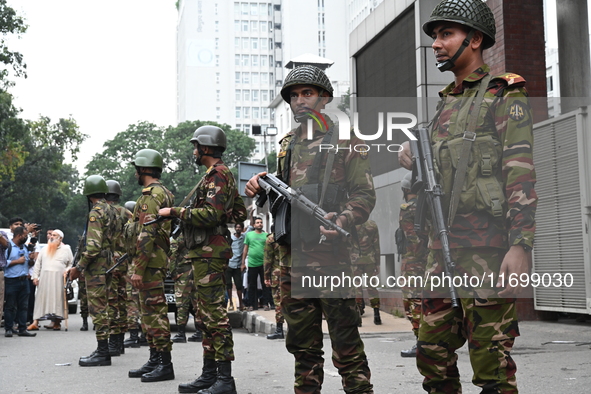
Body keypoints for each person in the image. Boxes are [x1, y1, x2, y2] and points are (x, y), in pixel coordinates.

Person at [398, 0, 537, 391]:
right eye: (435, 36)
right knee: (432, 358)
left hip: (487, 250)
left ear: (475, 40)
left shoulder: (503, 92)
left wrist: (520, 245)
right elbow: (445, 175)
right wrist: (414, 162)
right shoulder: (445, 104)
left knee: (492, 365)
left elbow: (520, 173)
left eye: (446, 34)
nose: (436, 44)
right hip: (441, 252)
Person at [245, 64, 376, 394]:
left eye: (308, 93)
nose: (300, 100)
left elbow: (364, 194)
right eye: (294, 95)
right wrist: (258, 186)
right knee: (303, 350)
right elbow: (280, 193)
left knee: (347, 349)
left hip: (333, 261)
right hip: (293, 261)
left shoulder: (347, 140)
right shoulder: (288, 144)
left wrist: (342, 219)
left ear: (325, 98)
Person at [158, 125, 246, 394]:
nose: (194, 151)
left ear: (206, 148)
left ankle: (225, 380)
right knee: (205, 316)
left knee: (214, 316)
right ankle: (210, 375)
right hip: (203, 253)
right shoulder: (215, 176)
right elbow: (239, 211)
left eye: (196, 146)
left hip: (210, 254)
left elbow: (211, 215)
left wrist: (176, 211)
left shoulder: (218, 175)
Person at [126, 149, 175, 383]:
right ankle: (155, 358)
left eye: (136, 168)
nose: (134, 173)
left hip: (150, 263)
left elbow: (146, 233)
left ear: (143, 169)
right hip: (153, 261)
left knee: (155, 314)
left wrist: (138, 268)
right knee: (149, 312)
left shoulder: (151, 195)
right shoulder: (160, 193)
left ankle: (165, 364)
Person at [68, 175, 118, 366]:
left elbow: (93, 247)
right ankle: (104, 349)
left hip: (97, 266)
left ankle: (103, 352)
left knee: (97, 309)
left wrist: (78, 267)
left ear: (89, 195)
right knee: (104, 306)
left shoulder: (96, 212)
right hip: (109, 262)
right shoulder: (111, 210)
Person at [397, 173, 428, 358]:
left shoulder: (408, 209)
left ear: (406, 189)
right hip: (431, 261)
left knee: (413, 304)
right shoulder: (429, 206)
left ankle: (421, 344)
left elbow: (412, 239)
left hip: (414, 263)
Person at [104, 179, 132, 357]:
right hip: (125, 262)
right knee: (122, 302)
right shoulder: (127, 213)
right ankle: (119, 341)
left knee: (112, 302)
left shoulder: (103, 212)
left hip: (110, 263)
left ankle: (114, 342)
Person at [28, 230, 73, 331]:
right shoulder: (44, 249)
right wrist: (35, 277)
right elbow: (38, 264)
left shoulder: (66, 249)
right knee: (41, 300)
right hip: (44, 279)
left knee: (57, 300)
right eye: (51, 235)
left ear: (60, 238)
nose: (51, 237)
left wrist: (67, 270)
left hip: (58, 280)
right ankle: (35, 322)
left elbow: (71, 263)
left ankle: (57, 322)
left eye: (54, 235)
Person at [4, 226, 37, 337]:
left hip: (24, 280)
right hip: (11, 280)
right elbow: (3, 263)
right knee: (10, 305)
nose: (26, 238)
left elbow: (29, 264)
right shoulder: (7, 247)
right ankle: (9, 328)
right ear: (19, 236)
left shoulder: (25, 248)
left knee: (24, 306)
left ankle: (22, 328)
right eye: (25, 236)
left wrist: (31, 259)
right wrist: (17, 261)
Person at [350, 220, 382, 326]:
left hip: (355, 260)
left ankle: (358, 317)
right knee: (372, 287)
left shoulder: (350, 224)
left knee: (357, 288)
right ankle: (377, 315)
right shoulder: (372, 225)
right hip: (370, 260)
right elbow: (376, 245)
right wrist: (378, 262)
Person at [170, 234, 199, 344]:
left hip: (184, 272)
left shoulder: (180, 235)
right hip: (197, 271)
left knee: (182, 302)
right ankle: (200, 332)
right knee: (197, 302)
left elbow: (172, 254)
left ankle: (181, 333)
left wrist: (173, 272)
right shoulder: (198, 234)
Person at [240, 217, 270, 311]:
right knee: (251, 285)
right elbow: (245, 249)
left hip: (264, 264)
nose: (260, 224)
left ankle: (265, 304)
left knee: (265, 284)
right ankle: (251, 305)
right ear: (254, 225)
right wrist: (243, 262)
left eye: (261, 222)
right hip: (252, 264)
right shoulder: (249, 235)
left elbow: (269, 250)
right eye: (257, 222)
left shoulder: (266, 235)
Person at [263, 229, 287, 340]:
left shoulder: (271, 239)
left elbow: (268, 260)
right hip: (293, 274)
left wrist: (266, 276)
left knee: (278, 302)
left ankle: (279, 330)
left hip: (277, 275)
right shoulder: (293, 235)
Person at [226, 223, 245, 311]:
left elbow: (251, 226)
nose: (238, 228)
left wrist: (251, 214)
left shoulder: (243, 237)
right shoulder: (230, 239)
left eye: (240, 227)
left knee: (239, 285)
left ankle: (241, 304)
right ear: (235, 228)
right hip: (229, 264)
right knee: (228, 285)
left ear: (242, 228)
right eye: (237, 227)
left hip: (237, 265)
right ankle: (230, 302)